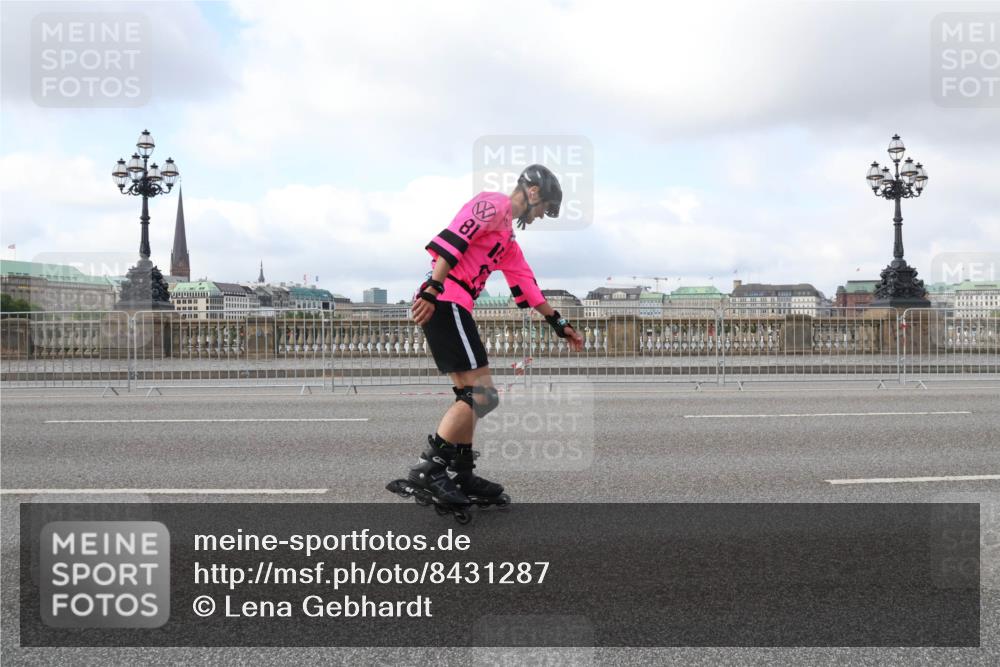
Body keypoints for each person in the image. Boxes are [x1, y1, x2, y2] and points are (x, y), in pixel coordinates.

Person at [397, 164, 584, 511]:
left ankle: (463, 473)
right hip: (447, 299)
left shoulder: (507, 239)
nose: (543, 216)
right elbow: (454, 238)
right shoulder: (492, 204)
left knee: (473, 395)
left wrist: (559, 323)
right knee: (483, 396)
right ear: (532, 193)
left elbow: (526, 283)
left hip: (456, 303)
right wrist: (433, 289)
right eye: (545, 208)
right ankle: (430, 468)